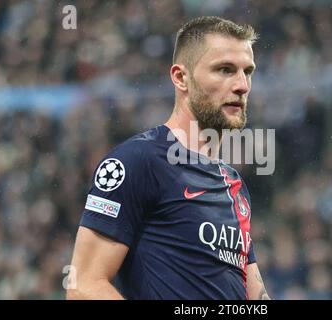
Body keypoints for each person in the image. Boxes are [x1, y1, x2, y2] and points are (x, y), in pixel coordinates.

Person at [67, 16, 270, 300]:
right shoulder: (137, 161)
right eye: (225, 70)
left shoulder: (234, 185)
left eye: (247, 72)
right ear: (180, 77)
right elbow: (83, 286)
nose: (242, 85)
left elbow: (255, 296)